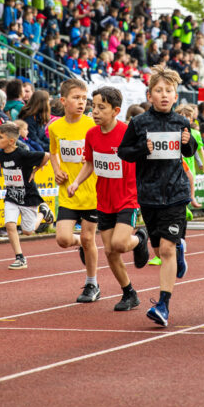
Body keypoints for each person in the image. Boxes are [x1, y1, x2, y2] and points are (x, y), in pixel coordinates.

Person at [117, 65, 196, 327]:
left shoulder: (181, 121)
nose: (164, 95)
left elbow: (190, 152)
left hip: (176, 193)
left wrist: (187, 142)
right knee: (158, 248)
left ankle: (163, 305)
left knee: (165, 249)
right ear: (149, 95)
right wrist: (142, 148)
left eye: (169, 91)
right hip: (149, 195)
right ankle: (180, 248)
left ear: (176, 96)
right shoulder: (139, 123)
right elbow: (123, 152)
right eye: (158, 91)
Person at [68, 87, 150, 311]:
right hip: (103, 200)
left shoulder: (127, 133)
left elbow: (144, 158)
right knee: (110, 252)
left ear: (115, 111)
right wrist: (76, 182)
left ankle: (140, 239)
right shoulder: (92, 135)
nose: (94, 111)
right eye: (93, 106)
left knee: (120, 244)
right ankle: (129, 293)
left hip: (127, 198)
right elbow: (90, 163)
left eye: (100, 107)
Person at [48, 78, 100, 303]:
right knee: (63, 239)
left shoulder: (92, 125)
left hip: (91, 191)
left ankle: (92, 284)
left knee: (90, 238)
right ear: (63, 101)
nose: (82, 103)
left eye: (84, 98)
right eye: (76, 98)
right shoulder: (55, 127)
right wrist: (57, 170)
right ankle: (82, 244)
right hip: (67, 192)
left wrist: (91, 157)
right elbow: (52, 153)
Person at [0, 122, 50, 269]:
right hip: (12, 196)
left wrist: (35, 170)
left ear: (11, 141)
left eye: (0, 137)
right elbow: (1, 165)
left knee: (28, 231)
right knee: (10, 224)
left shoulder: (23, 154)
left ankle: (43, 213)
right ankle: (20, 258)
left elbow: (47, 155)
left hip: (28, 196)